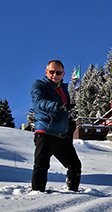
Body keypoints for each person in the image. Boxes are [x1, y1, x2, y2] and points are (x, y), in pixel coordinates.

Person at [30, 60, 81, 192]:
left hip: (61, 135)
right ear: (46, 72)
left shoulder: (63, 89)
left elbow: (64, 111)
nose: (55, 75)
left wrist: (70, 122)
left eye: (58, 73)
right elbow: (40, 102)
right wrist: (58, 106)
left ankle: (73, 193)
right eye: (52, 72)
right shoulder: (39, 85)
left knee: (75, 165)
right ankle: (37, 195)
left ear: (63, 74)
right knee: (41, 165)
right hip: (45, 131)